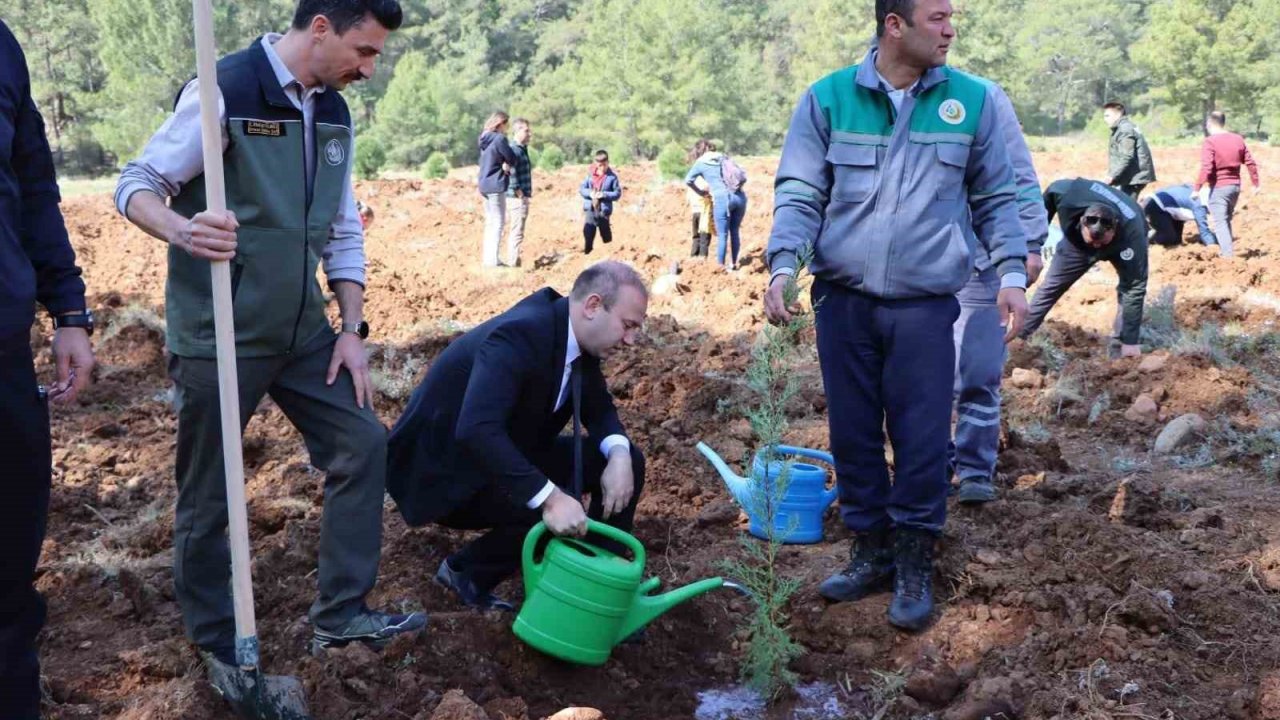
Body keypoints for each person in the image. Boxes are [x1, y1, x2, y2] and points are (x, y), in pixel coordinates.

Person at [113, 0, 425, 672]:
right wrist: (183, 230)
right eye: (364, 51)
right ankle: (215, 638)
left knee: (361, 443)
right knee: (211, 492)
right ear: (320, 28)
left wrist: (351, 328)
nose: (370, 68)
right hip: (220, 333)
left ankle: (341, 616)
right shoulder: (226, 89)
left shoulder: (335, 112)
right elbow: (137, 183)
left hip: (305, 333)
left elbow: (342, 227)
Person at [764, 0, 1028, 631]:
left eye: (951, 17)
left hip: (925, 304)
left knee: (919, 433)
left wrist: (1013, 273)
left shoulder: (975, 101)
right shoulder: (827, 99)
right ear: (894, 25)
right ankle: (869, 550)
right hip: (842, 301)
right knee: (853, 432)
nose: (950, 29)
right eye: (937, 17)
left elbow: (998, 194)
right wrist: (782, 264)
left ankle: (914, 559)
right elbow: (801, 191)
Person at [387, 262, 648, 610]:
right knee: (543, 500)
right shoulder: (520, 336)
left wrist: (618, 456)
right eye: (627, 326)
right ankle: (465, 572)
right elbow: (476, 429)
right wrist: (551, 498)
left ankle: (595, 587)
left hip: (503, 453)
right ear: (592, 306)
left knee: (627, 459)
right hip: (445, 473)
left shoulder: (576, 339)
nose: (631, 340)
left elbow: (599, 410)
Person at [1, 19, 96, 719]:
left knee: (8, 564)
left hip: (3, 354)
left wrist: (67, 311)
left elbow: (34, 187)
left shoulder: (2, 45)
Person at [950, 81, 1048, 505]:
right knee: (921, 378)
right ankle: (928, 465)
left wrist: (1027, 243)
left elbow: (1019, 176)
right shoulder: (878, 97)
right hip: (911, 269)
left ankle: (973, 468)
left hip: (981, 261)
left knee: (978, 372)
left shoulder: (981, 97)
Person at [1019, 178, 1149, 359]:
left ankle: (1121, 347)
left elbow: (1135, 288)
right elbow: (1047, 197)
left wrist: (1131, 341)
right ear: (1081, 221)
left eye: (1101, 242)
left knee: (1128, 290)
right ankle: (1019, 336)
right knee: (1051, 286)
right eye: (1092, 240)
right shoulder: (1067, 195)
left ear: (1114, 228)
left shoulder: (1133, 235)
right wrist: (1034, 243)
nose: (1096, 246)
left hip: (1123, 244)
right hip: (1076, 246)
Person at [1195, 111, 1261, 258]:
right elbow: (1250, 162)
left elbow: (1206, 167)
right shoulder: (1237, 139)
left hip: (1219, 187)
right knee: (1225, 220)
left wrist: (1197, 188)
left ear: (1209, 124)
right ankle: (1226, 252)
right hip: (1235, 187)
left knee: (1220, 223)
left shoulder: (1210, 141)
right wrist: (1256, 183)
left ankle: (1227, 257)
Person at [685, 141, 748, 270]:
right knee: (735, 232)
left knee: (723, 234)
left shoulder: (701, 162)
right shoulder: (724, 157)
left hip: (723, 199)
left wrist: (701, 192)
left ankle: (720, 267)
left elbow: (688, 180)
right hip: (740, 197)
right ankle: (734, 264)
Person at [478, 111, 519, 267]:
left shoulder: (483, 137)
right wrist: (506, 164)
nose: (506, 128)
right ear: (500, 123)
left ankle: (488, 258)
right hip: (496, 183)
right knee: (498, 222)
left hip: (484, 184)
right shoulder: (500, 139)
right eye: (506, 125)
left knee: (490, 222)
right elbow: (511, 158)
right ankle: (493, 260)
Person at [1102, 102, 1156, 200]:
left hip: (1135, 177)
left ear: (1118, 114)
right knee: (1125, 204)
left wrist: (1112, 175)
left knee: (1127, 208)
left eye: (1107, 116)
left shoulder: (1125, 129)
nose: (1105, 119)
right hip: (1131, 176)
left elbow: (1126, 156)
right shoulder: (1124, 127)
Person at [1142, 184, 1215, 248]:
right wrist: (1212, 245)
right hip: (1156, 206)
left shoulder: (1199, 191)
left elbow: (1185, 185)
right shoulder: (1199, 206)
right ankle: (1146, 240)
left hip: (1171, 208)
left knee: (1176, 241)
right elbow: (1204, 232)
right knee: (1169, 237)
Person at [579, 150, 622, 254]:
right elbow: (582, 189)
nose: (602, 167)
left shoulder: (612, 177)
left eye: (604, 164)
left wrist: (604, 194)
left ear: (608, 162)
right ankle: (587, 252)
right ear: (596, 163)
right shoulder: (589, 175)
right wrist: (590, 194)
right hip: (590, 208)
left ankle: (609, 254)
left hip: (603, 210)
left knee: (605, 233)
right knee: (588, 232)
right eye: (599, 165)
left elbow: (617, 193)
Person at [505, 118, 534, 268]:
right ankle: (512, 262)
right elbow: (511, 173)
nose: (530, 133)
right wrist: (521, 194)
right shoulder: (515, 150)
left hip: (518, 196)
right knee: (517, 230)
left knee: (517, 230)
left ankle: (513, 260)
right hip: (516, 198)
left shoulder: (522, 149)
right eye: (526, 130)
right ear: (517, 131)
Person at [686, 139, 715, 258]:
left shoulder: (694, 168)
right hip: (704, 208)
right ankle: (702, 260)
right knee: (704, 236)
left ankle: (693, 259)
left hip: (695, 209)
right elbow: (707, 187)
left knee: (696, 236)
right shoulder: (704, 169)